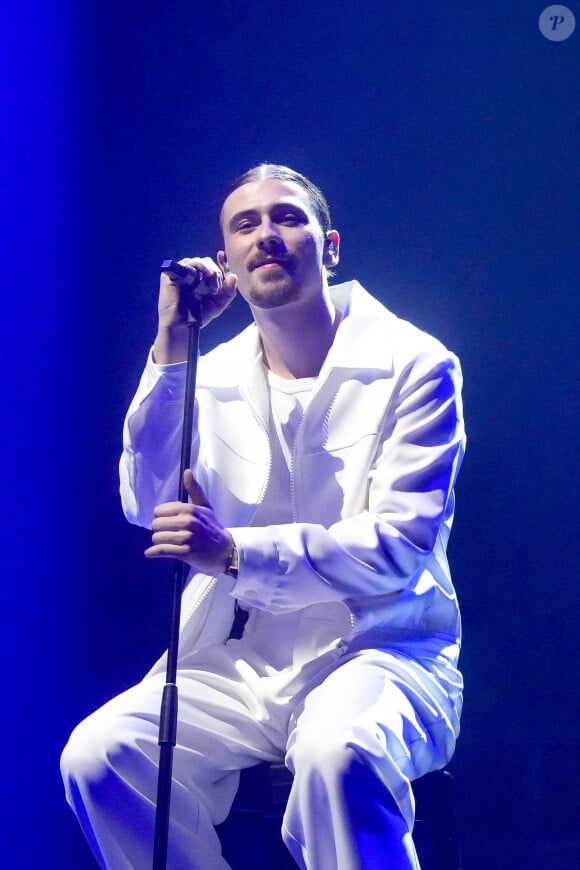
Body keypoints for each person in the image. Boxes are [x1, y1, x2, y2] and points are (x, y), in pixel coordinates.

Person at [61, 163, 466, 869]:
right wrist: (173, 344)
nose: (266, 236)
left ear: (329, 246)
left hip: (386, 648)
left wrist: (235, 553)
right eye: (245, 225)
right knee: (100, 757)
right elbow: (146, 501)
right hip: (247, 660)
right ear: (226, 264)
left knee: (337, 756)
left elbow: (399, 544)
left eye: (287, 218)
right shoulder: (207, 374)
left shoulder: (417, 364)